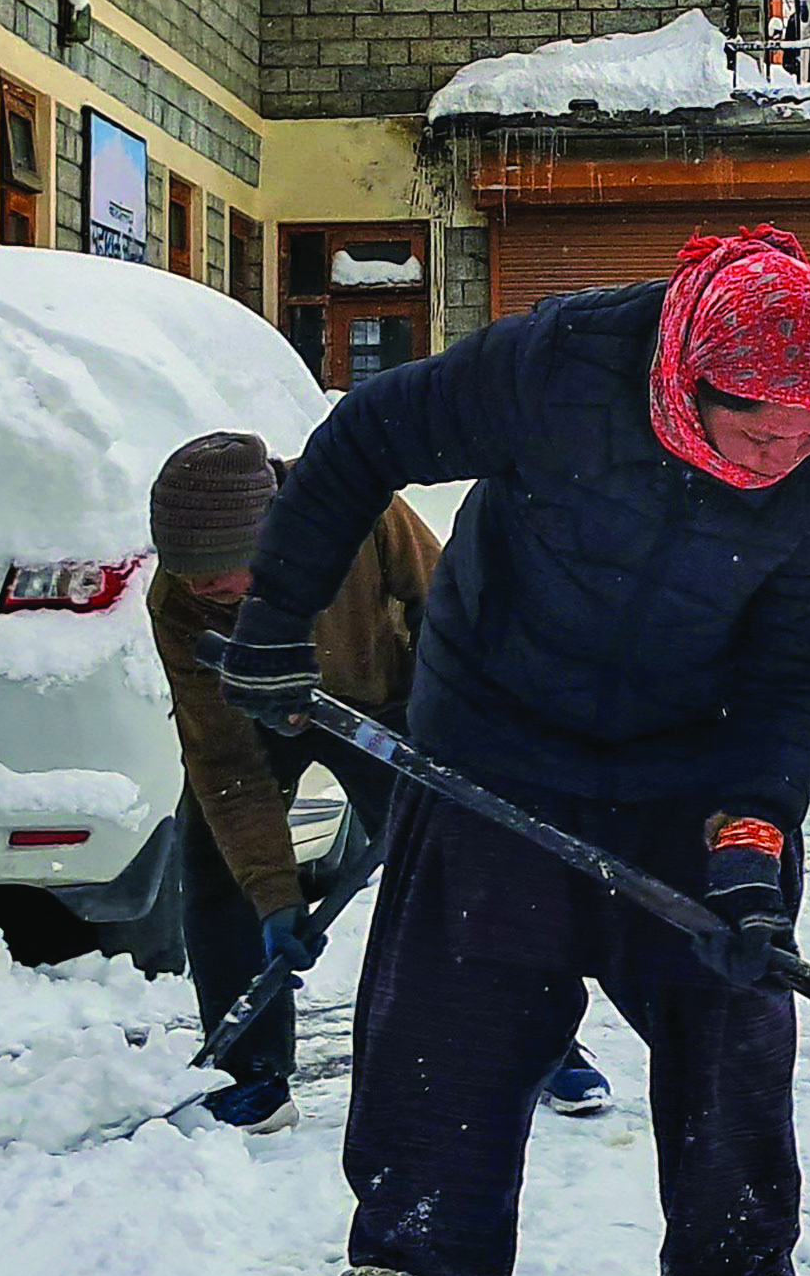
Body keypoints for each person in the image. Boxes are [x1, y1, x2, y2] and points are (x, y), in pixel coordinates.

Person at [218, 226, 810, 1276]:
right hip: (495, 741)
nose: (785, 460)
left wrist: (751, 851)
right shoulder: (564, 364)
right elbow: (366, 439)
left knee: (734, 1008)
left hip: (691, 762)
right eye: (760, 433)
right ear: (687, 381)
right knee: (444, 1028)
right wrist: (276, 612)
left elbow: (792, 677)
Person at [142, 436, 610, 1131]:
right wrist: (274, 895)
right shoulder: (182, 604)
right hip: (260, 711)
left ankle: (542, 1041)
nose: (201, 590)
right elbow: (224, 762)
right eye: (188, 576)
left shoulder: (358, 512)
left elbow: (454, 612)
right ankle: (252, 1070)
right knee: (214, 859)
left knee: (466, 858)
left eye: (217, 573)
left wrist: (460, 733)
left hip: (388, 696)